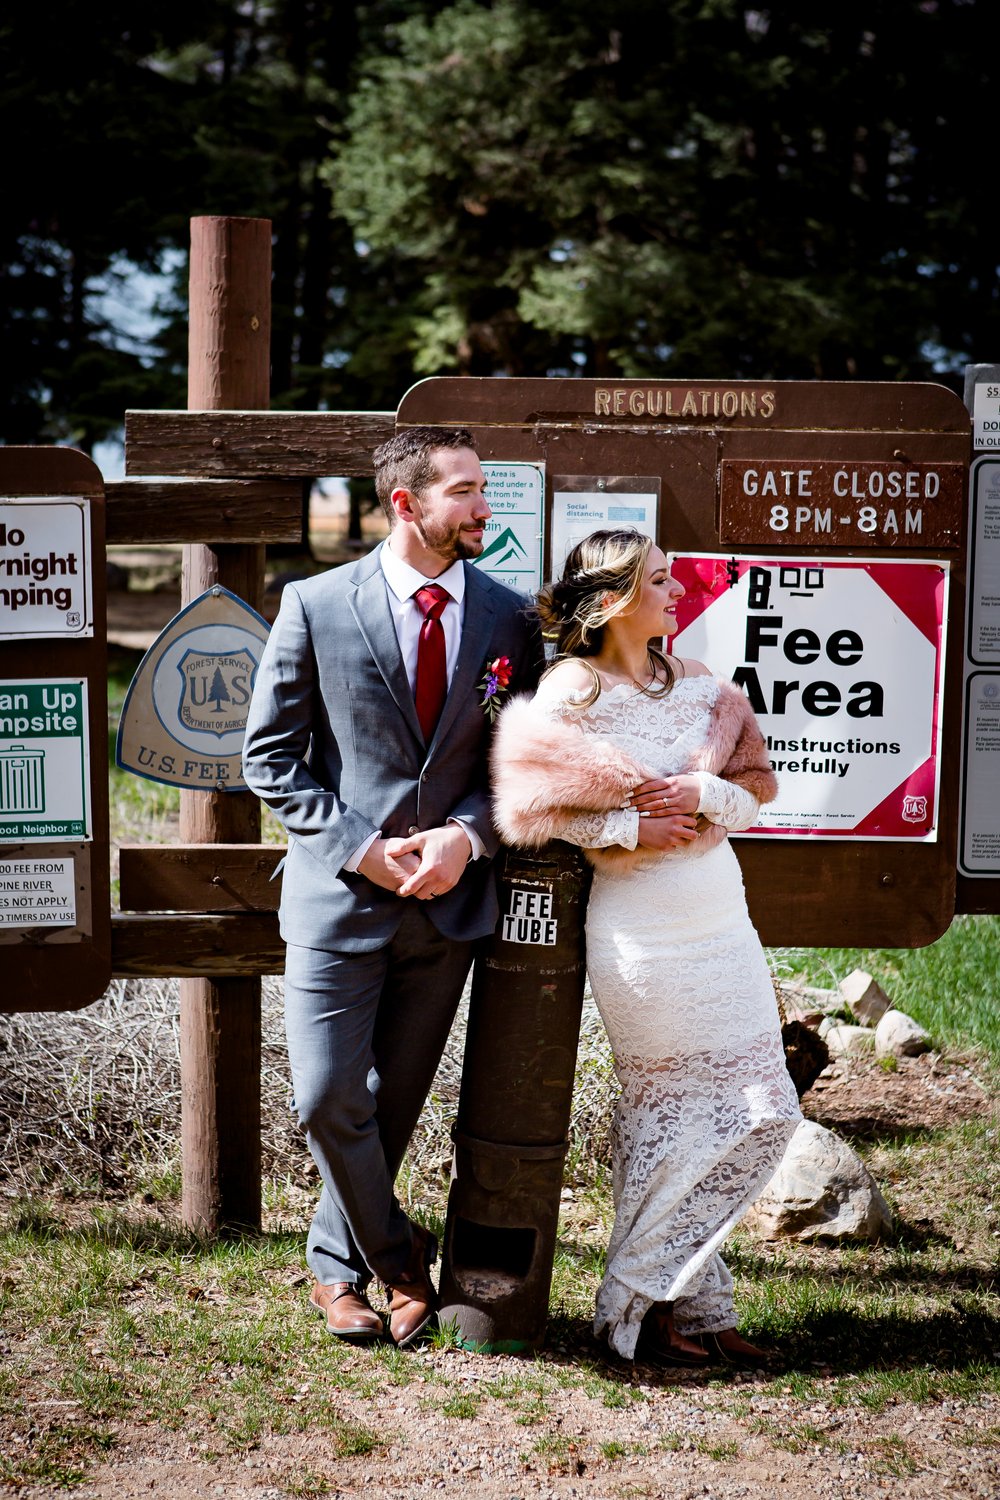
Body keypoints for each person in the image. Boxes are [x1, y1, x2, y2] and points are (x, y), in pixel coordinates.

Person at [243, 426, 543, 1347]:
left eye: (483, 488)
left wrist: (467, 837)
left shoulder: (509, 620)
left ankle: (338, 1277)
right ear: (405, 503)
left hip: (447, 907)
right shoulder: (315, 604)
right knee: (328, 1096)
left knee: (394, 1105)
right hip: (339, 900)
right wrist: (362, 849)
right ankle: (400, 1260)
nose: (484, 508)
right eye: (464, 491)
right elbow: (269, 758)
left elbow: (523, 767)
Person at [491, 529, 801, 1368]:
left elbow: (758, 796)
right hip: (643, 939)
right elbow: (526, 812)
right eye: (661, 580)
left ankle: (689, 1304)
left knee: (761, 1104)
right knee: (676, 1117)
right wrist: (633, 823)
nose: (679, 591)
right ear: (617, 600)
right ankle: (646, 1294)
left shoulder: (702, 686)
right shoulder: (571, 690)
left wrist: (704, 792)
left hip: (721, 923)